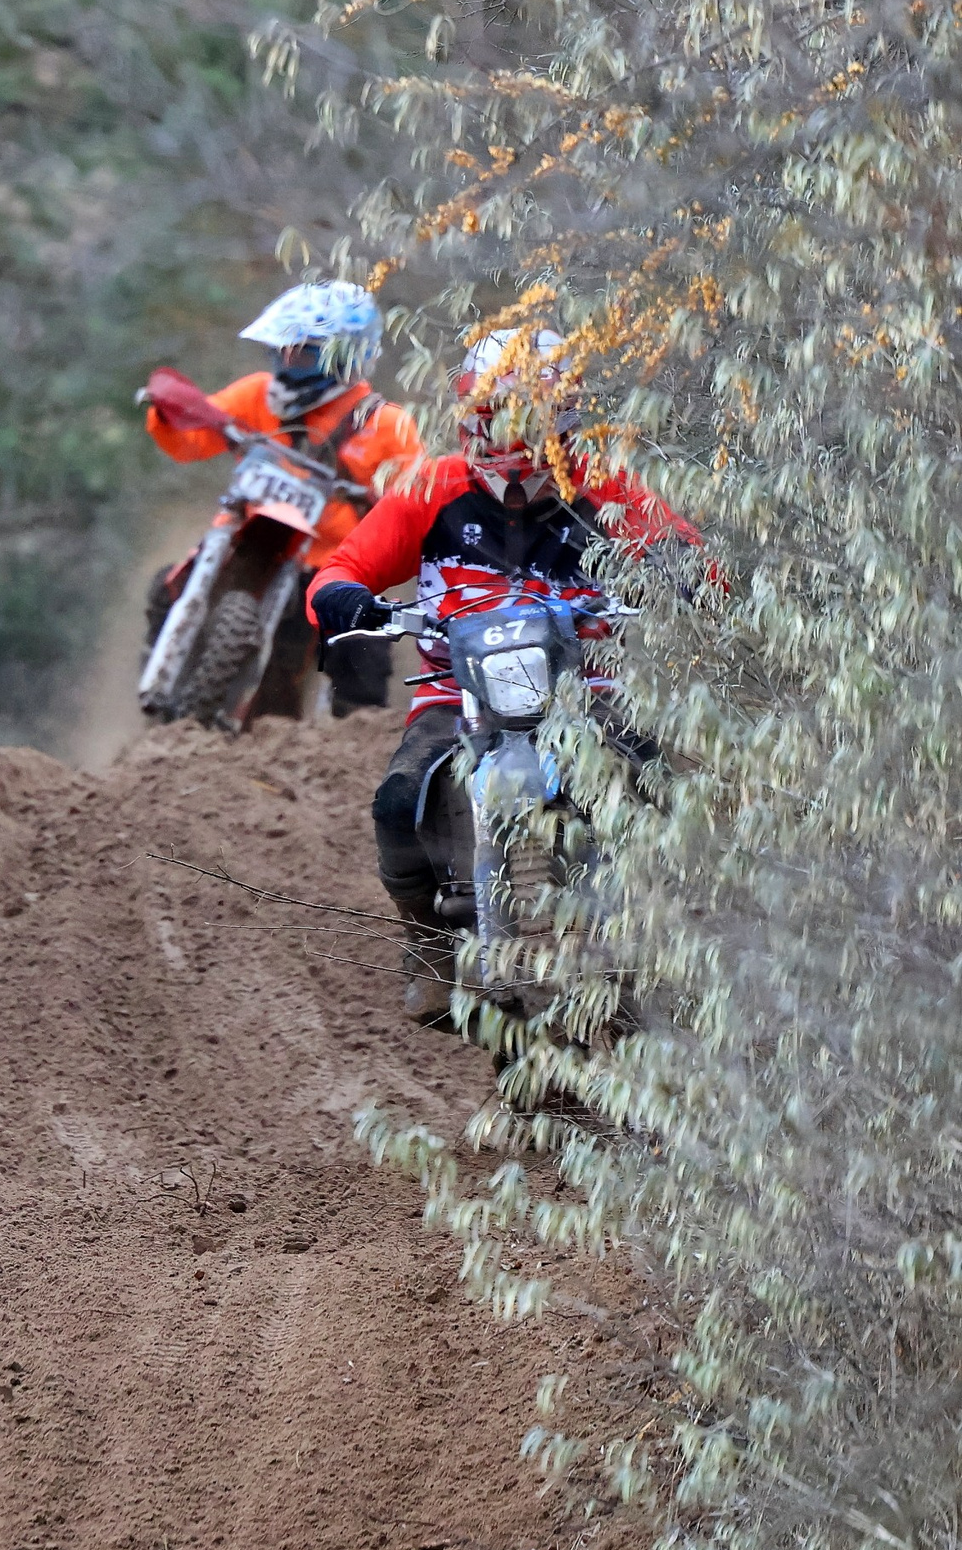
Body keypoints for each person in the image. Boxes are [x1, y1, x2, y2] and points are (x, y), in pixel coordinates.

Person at [306, 329, 698, 1020]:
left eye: (525, 420)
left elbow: (691, 552)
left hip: (584, 688)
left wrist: (681, 569)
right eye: (494, 419)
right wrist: (344, 596)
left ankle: (664, 928)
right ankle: (428, 940)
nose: (509, 442)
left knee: (652, 776)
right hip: (454, 692)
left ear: (563, 422)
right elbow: (343, 567)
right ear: (469, 419)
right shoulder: (429, 487)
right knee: (399, 801)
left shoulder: (605, 487)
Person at [141, 281, 424, 715]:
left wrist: (389, 507)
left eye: (305, 353)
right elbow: (191, 442)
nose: (289, 362)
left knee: (365, 641)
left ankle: (359, 740)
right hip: (246, 538)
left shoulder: (387, 425)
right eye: (284, 349)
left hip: (332, 562)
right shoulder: (258, 393)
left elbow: (419, 500)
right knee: (168, 586)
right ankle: (164, 671)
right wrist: (168, 413)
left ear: (345, 358)